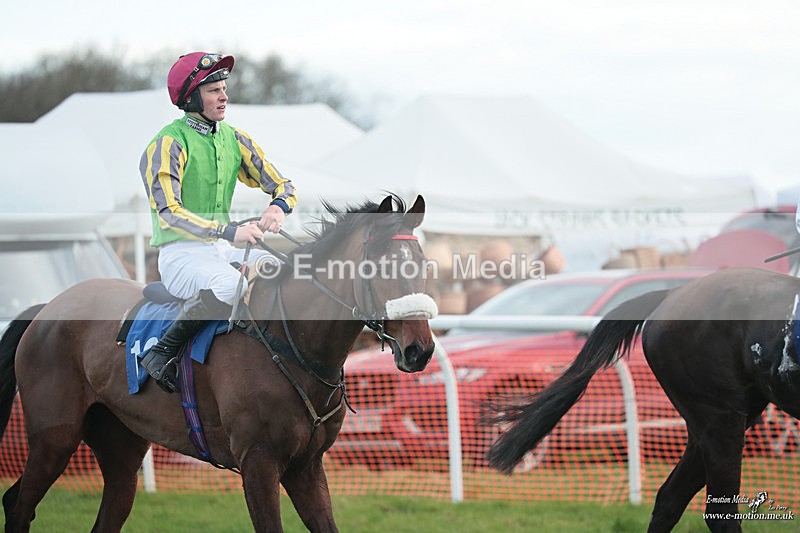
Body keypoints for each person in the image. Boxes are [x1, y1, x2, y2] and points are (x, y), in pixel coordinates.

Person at [138, 52, 298, 393]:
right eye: (213, 90)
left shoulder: (235, 139)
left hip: (221, 250)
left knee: (280, 270)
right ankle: (161, 353)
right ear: (191, 98)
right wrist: (228, 231)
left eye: (224, 89)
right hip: (180, 255)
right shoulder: (168, 143)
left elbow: (283, 185)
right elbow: (168, 211)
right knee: (231, 286)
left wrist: (278, 207)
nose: (224, 96)